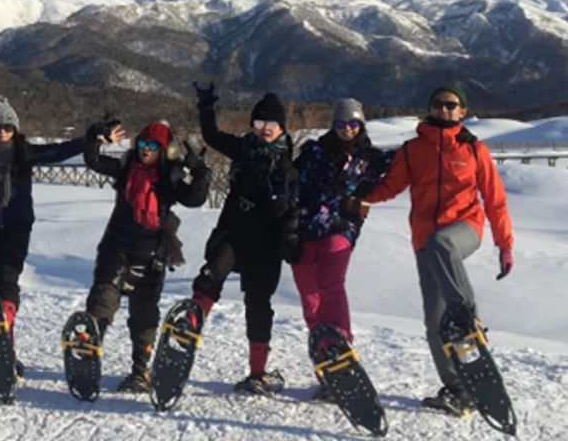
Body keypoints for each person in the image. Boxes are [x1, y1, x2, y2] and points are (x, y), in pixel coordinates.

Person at [360, 83, 515, 416]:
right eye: (438, 104)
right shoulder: (412, 149)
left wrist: (505, 245)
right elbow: (390, 187)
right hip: (424, 241)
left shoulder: (474, 151)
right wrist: (358, 197)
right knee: (434, 323)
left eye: (451, 105)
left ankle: (467, 315)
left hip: (464, 230)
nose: (444, 110)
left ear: (462, 111)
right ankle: (460, 392)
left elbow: (495, 200)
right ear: (430, 109)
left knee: (442, 245)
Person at [0, 96, 85, 376]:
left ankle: (4, 320)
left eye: (7, 127)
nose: (2, 132)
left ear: (15, 129)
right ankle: (4, 356)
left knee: (7, 280)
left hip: (16, 228)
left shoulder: (25, 153)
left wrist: (91, 139)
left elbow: (59, 152)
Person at [184, 86, 300, 395]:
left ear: (281, 129)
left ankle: (257, 373)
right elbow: (212, 136)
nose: (263, 131)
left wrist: (290, 236)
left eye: (270, 126)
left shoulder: (289, 168)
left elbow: (294, 210)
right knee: (210, 276)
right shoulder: (243, 149)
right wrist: (206, 106)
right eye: (259, 125)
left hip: (265, 245)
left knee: (258, 305)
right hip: (234, 230)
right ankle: (187, 330)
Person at [81, 118, 210, 391]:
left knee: (144, 313)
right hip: (116, 247)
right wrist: (95, 137)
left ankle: (140, 371)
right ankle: (86, 355)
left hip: (151, 252)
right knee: (102, 301)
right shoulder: (125, 168)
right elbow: (93, 161)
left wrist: (200, 172)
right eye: (142, 144)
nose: (145, 150)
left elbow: (195, 199)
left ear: (163, 150)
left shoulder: (170, 177)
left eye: (152, 146)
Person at [289, 97, 393, 399]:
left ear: (361, 124)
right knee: (311, 300)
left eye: (352, 123)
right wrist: (288, 231)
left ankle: (343, 354)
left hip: (340, 229)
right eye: (340, 123)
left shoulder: (371, 159)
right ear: (332, 125)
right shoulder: (313, 153)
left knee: (332, 287)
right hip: (305, 231)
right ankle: (326, 364)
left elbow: (411, 158)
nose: (347, 129)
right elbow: (291, 187)